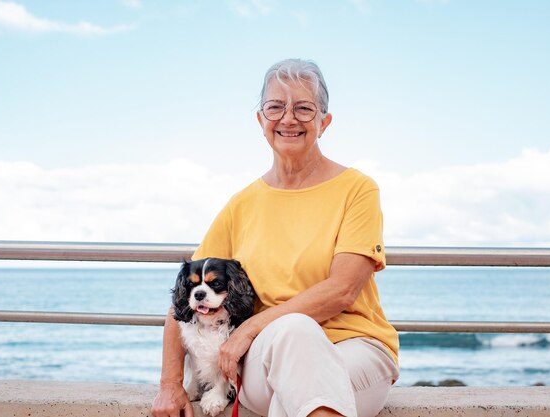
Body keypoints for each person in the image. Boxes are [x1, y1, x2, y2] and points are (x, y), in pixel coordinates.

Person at [151, 58, 399, 417]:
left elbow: (342, 289)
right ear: (261, 121)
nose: (288, 118)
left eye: (303, 108)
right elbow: (185, 302)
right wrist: (170, 385)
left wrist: (249, 328)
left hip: (354, 347)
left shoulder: (357, 190)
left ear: (324, 122)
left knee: (297, 371)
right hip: (263, 358)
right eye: (275, 107)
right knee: (293, 342)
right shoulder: (241, 205)